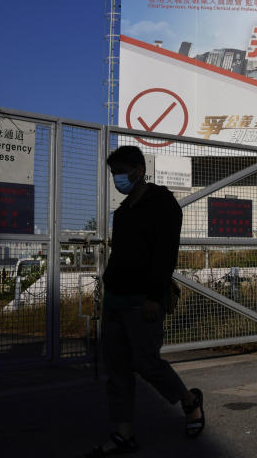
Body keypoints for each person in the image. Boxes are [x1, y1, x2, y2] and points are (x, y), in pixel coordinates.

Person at [87, 145, 203, 456]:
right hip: (115, 299)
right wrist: (106, 295)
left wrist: (155, 296)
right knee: (117, 369)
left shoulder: (162, 203)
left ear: (139, 170)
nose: (117, 178)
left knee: (146, 362)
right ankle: (124, 433)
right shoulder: (122, 213)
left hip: (144, 299)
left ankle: (189, 401)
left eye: (120, 172)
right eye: (113, 173)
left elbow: (165, 254)